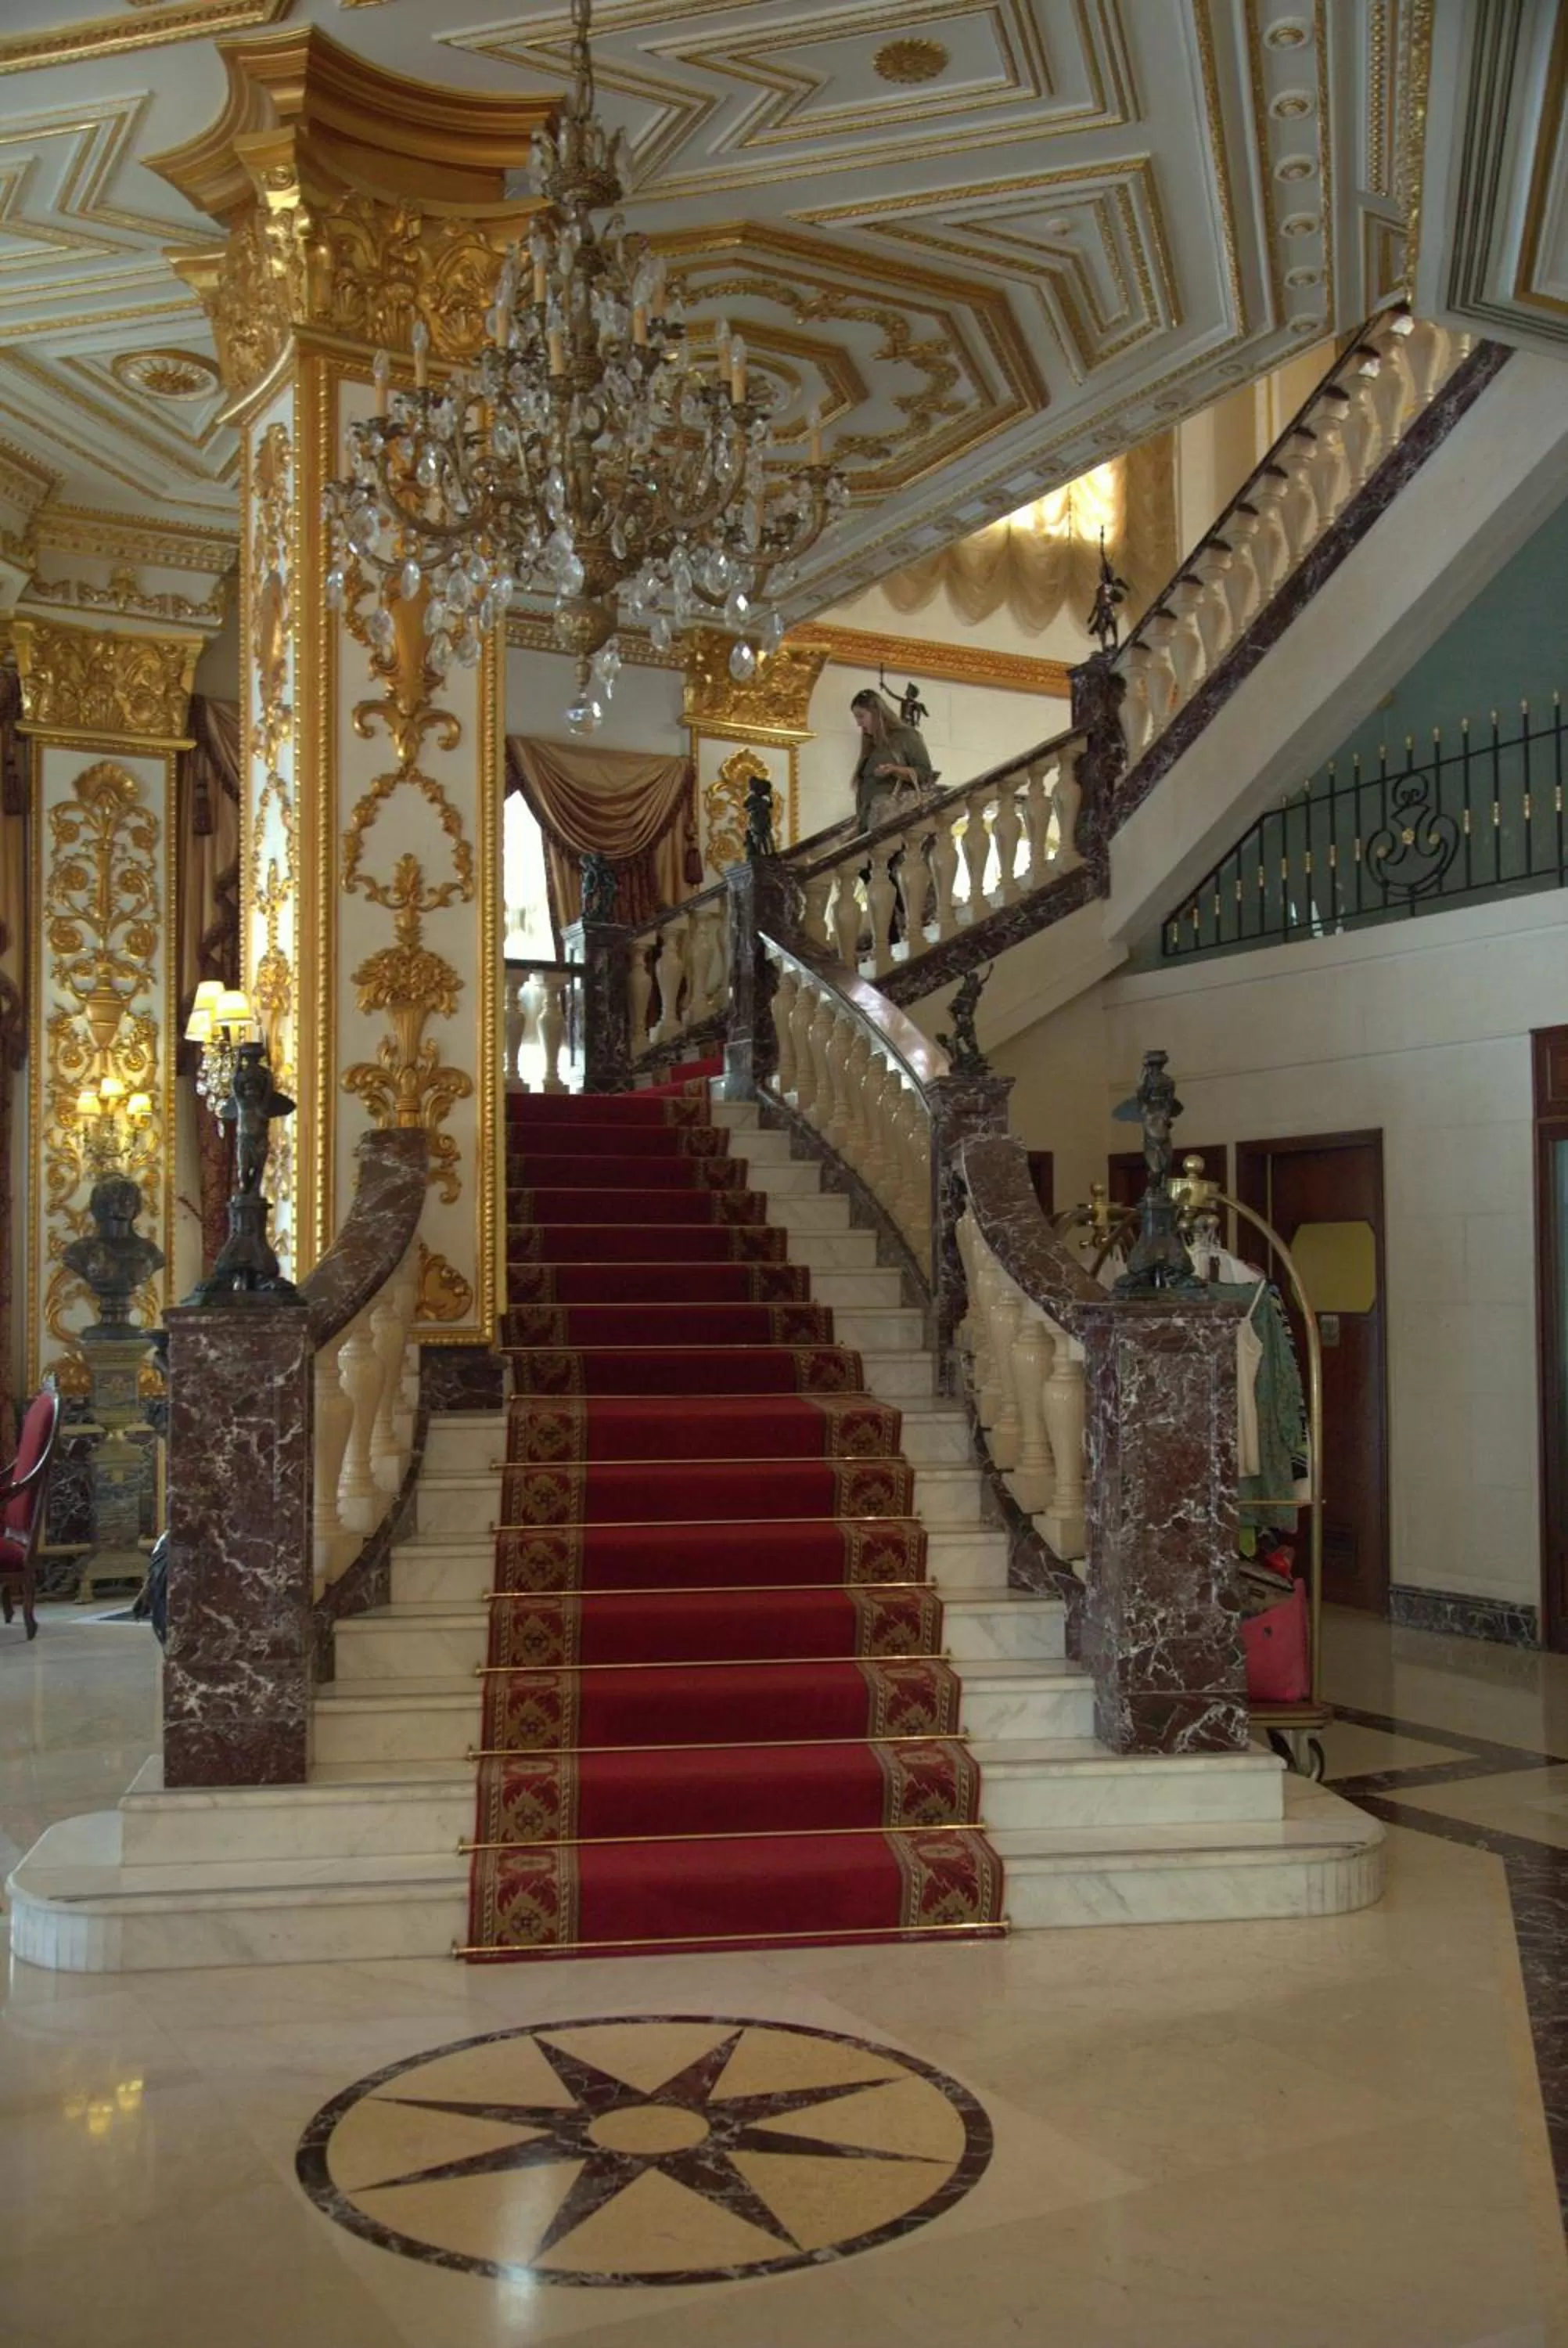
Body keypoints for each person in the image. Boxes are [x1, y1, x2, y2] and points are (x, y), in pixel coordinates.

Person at [851, 689, 934, 836]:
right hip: (870, 824)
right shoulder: (871, 744)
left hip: (895, 822)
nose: (859, 723)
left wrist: (895, 770)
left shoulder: (906, 737)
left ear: (876, 713)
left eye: (861, 716)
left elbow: (925, 773)